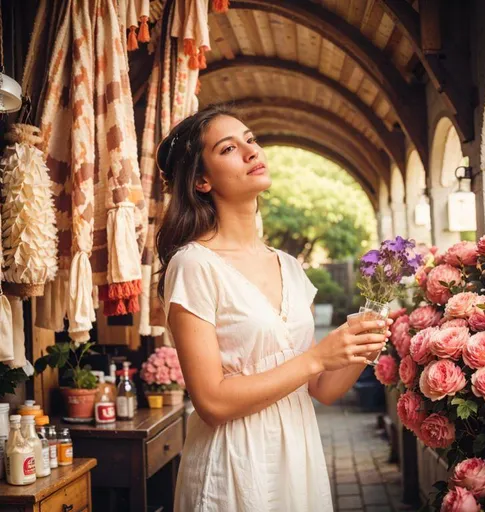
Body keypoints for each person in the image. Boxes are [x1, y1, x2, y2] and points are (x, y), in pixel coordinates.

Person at [156, 105, 393, 512]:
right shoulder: (193, 265)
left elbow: (323, 389)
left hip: (298, 456)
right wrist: (318, 356)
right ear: (201, 180)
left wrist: (360, 347)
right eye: (229, 148)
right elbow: (211, 403)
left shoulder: (289, 265)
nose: (251, 151)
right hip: (233, 463)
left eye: (251, 139)